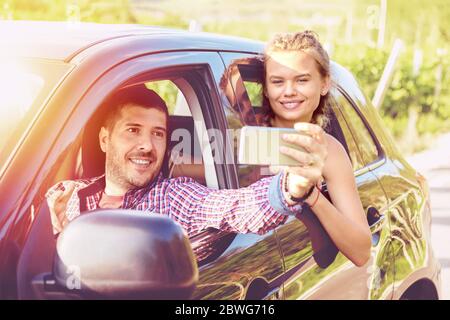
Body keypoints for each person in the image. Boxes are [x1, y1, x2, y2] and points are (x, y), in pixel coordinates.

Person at [47, 85, 327, 242]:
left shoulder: (172, 198)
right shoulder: (64, 196)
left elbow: (235, 207)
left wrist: (290, 187)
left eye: (158, 134)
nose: (147, 145)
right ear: (105, 140)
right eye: (133, 130)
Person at [261, 30, 371, 266]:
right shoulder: (246, 137)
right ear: (266, 88)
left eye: (302, 80)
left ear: (324, 84)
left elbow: (362, 252)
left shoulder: (329, 152)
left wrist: (311, 195)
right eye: (277, 81)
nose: (289, 91)